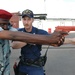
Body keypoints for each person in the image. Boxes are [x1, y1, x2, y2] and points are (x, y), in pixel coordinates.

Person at [11, 9, 66, 75]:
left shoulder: (39, 32)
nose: (26, 22)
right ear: (22, 20)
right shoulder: (19, 32)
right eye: (24, 19)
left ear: (32, 20)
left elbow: (53, 39)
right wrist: (31, 40)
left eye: (28, 19)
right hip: (23, 65)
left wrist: (71, 40)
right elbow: (14, 45)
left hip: (36, 67)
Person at [0, 9, 17, 75]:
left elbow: (16, 33)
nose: (5, 27)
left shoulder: (7, 30)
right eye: (3, 24)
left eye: (7, 24)